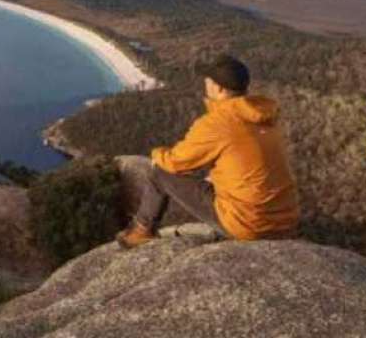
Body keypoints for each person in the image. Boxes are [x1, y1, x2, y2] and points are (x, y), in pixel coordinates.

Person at [116, 54, 299, 248]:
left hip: (248, 224)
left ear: (219, 88)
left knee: (161, 172)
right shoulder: (264, 118)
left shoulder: (219, 122)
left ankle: (140, 231)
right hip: (284, 222)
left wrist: (156, 154)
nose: (205, 83)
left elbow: (175, 162)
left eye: (208, 79)